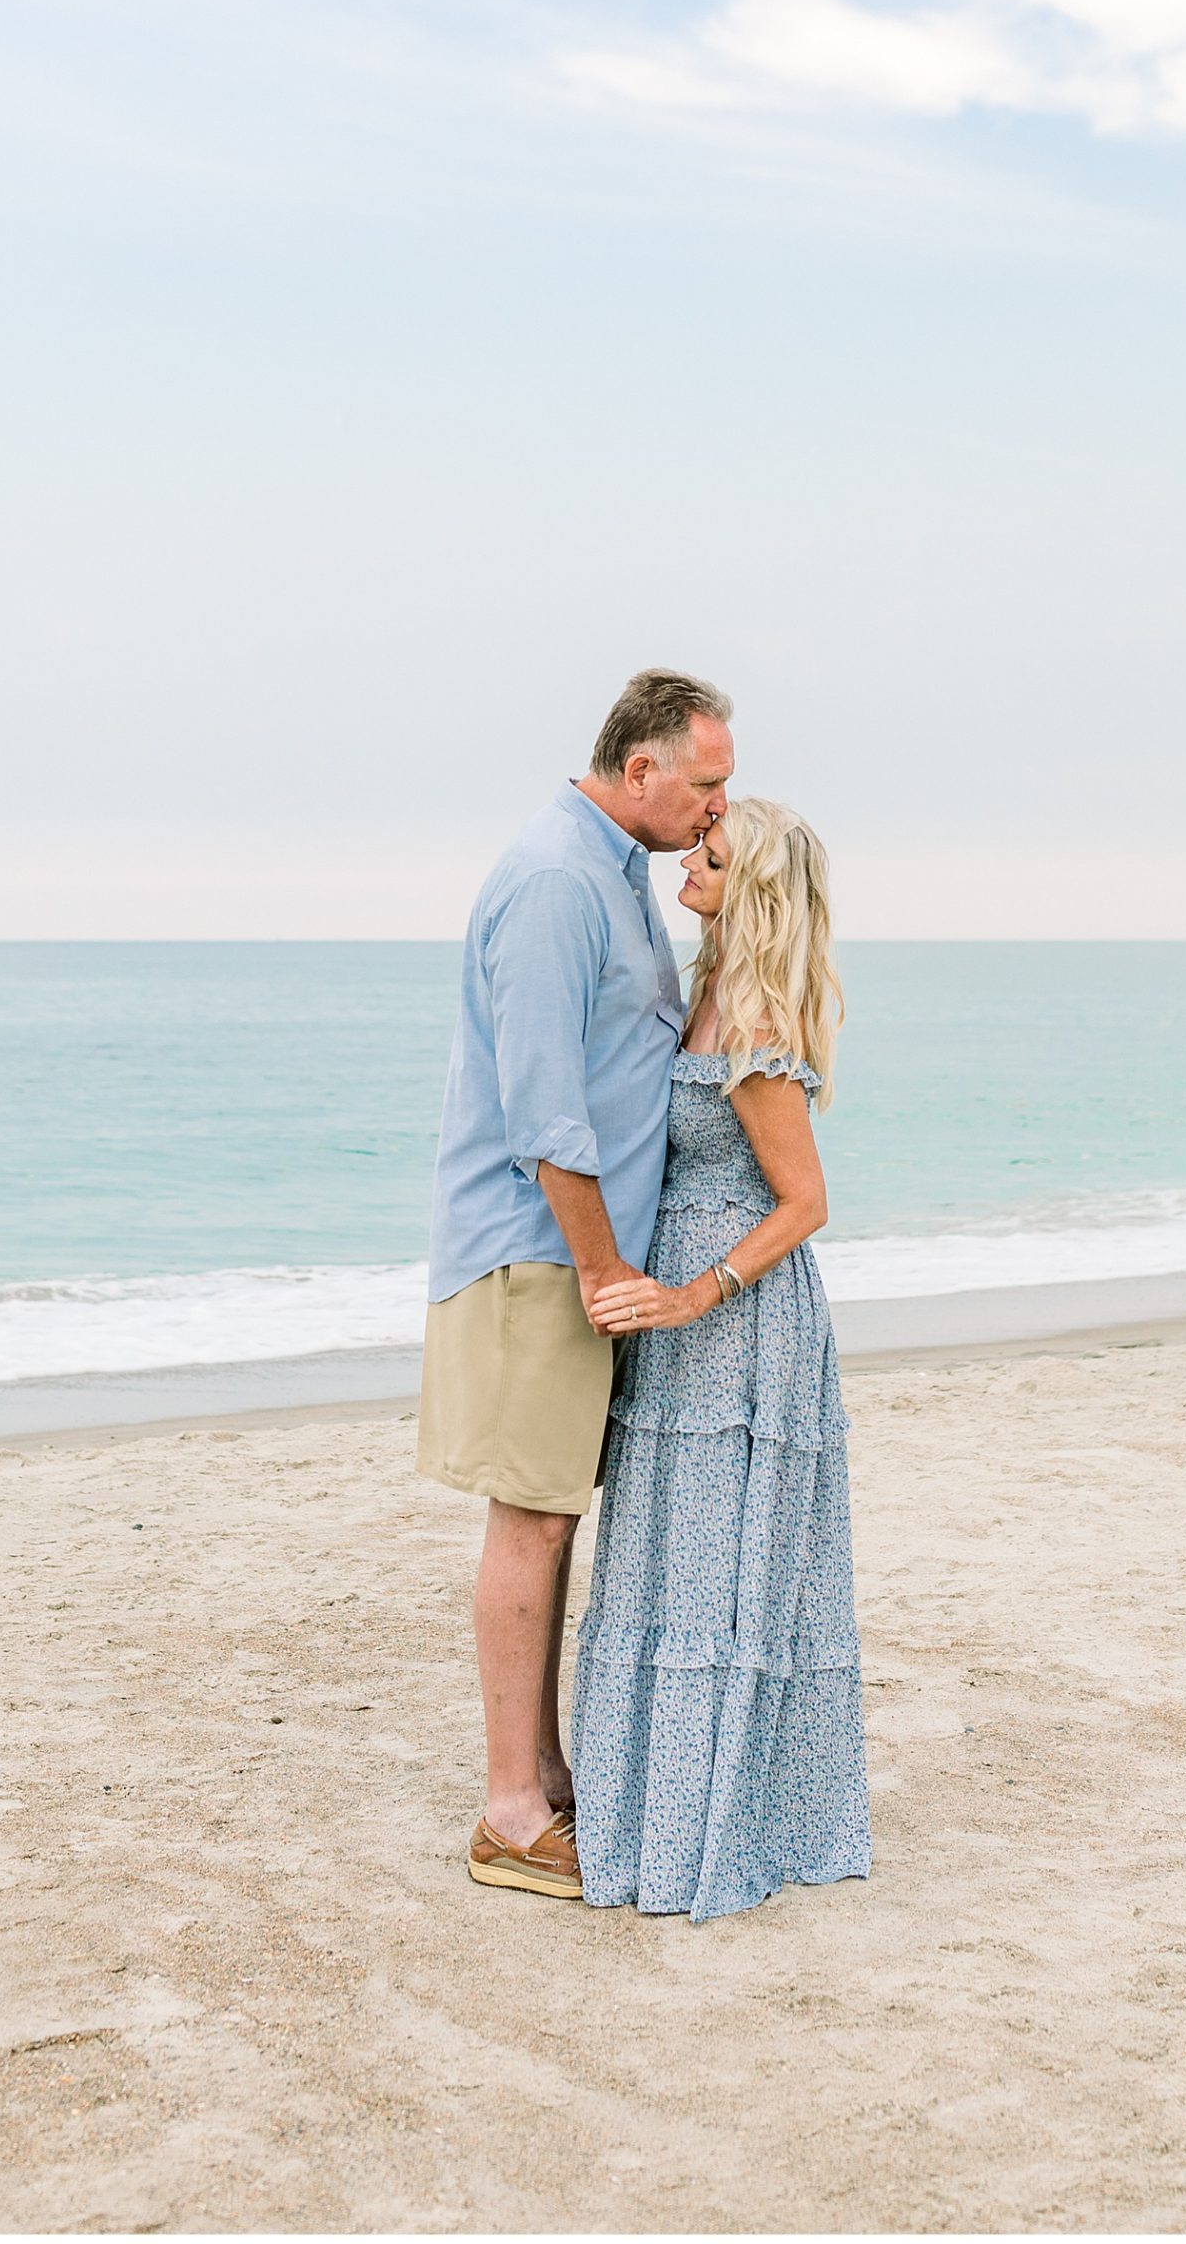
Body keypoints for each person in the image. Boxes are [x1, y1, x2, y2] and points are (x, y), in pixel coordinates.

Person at [416, 669, 735, 1898]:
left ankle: (543, 1772)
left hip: (575, 1251)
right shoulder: (559, 878)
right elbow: (545, 1109)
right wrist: (604, 1267)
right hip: (538, 1250)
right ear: (639, 769)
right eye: (704, 784)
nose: (716, 807)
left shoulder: (615, 872)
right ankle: (509, 1810)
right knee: (532, 1513)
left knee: (552, 1511)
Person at [571, 798, 871, 1921]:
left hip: (738, 1324)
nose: (688, 861)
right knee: (665, 1564)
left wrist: (700, 1289)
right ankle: (650, 1813)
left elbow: (807, 1202)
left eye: (712, 854)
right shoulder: (701, 992)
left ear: (750, 890)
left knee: (724, 1576)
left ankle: (715, 1828)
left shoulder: (752, 1025)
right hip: (676, 1321)